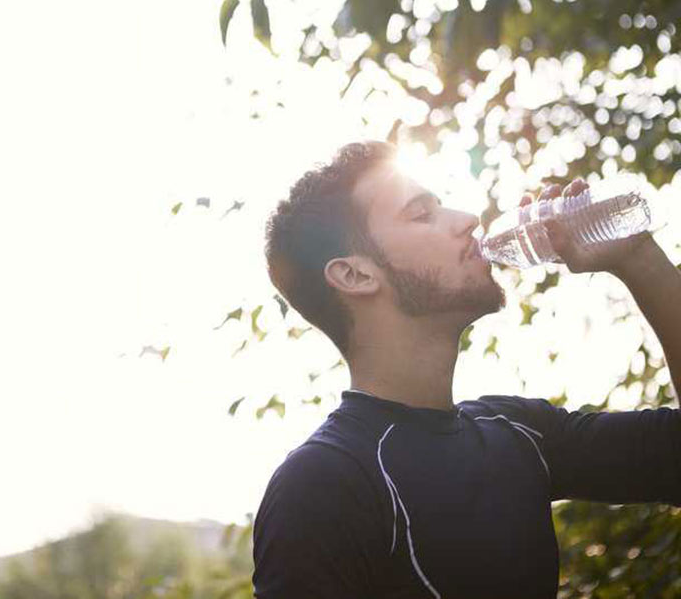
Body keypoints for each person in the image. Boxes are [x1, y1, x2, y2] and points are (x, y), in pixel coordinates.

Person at [253, 140, 681, 599]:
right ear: (355, 275)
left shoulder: (517, 431)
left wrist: (638, 258)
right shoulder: (322, 484)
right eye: (422, 214)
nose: (468, 220)